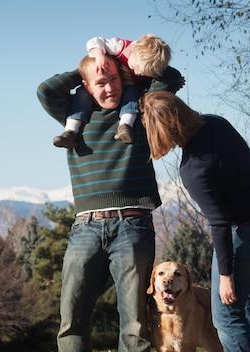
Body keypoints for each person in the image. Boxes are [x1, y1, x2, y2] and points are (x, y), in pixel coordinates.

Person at [37, 55, 184, 352]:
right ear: (87, 87)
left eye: (114, 79)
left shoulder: (141, 109)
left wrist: (123, 59)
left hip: (133, 225)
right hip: (85, 228)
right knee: (72, 318)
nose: (109, 88)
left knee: (135, 323)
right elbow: (46, 90)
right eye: (100, 83)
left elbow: (170, 76)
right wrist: (88, 67)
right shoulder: (73, 118)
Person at [139, 90, 250, 352]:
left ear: (160, 129)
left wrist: (227, 275)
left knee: (226, 317)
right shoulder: (216, 122)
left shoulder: (193, 168)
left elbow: (219, 223)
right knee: (249, 303)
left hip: (249, 231)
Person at [53, 34, 177, 149]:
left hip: (128, 87)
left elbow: (171, 75)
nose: (139, 73)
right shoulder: (119, 47)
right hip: (102, 72)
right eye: (138, 68)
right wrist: (97, 57)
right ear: (134, 53)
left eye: (145, 73)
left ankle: (125, 126)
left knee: (132, 96)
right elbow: (95, 41)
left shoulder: (146, 63)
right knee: (81, 97)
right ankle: (70, 132)